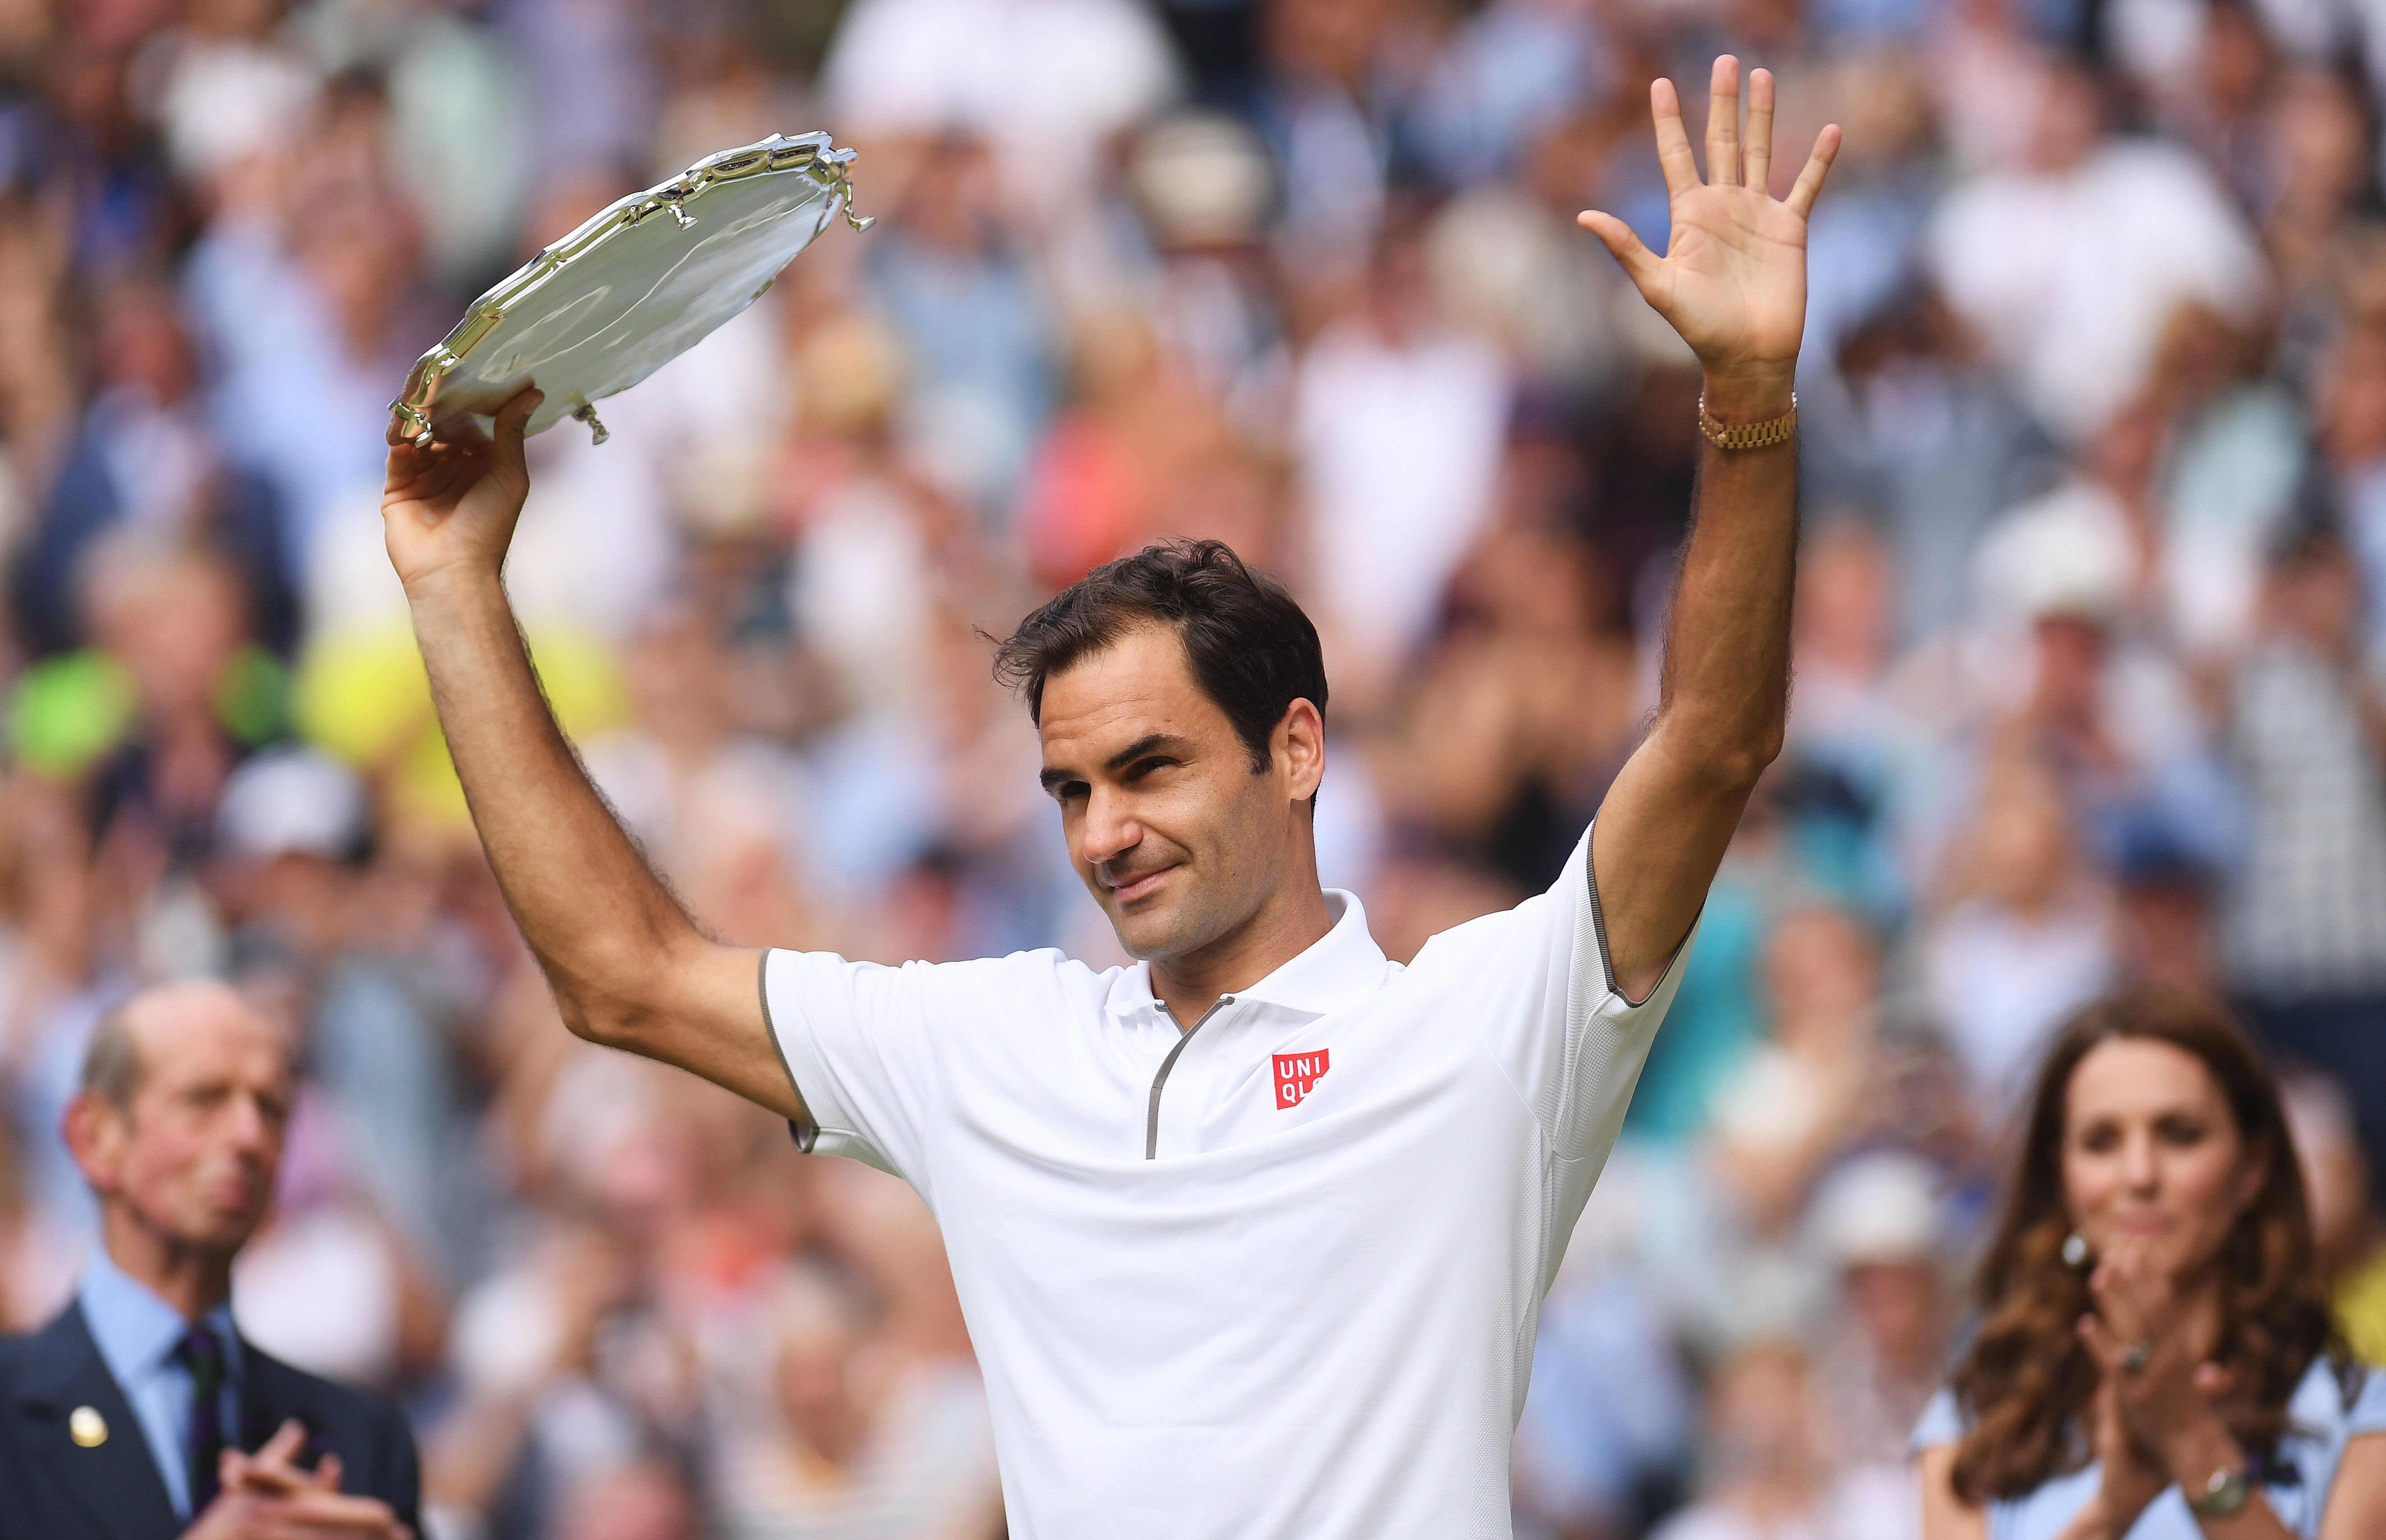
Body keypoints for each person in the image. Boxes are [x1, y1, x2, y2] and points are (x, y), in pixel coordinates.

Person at [380, 55, 1838, 1540]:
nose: (1101, 831)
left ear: (1294, 749)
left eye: (1147, 767)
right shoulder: (998, 1047)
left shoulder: (1482, 1026)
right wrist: (452, 583)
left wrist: (1744, 395)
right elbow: (621, 976)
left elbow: (1714, 740)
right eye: (1068, 787)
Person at [1914, 989, 2386, 1540]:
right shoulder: (1984, 1417)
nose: (2139, 1174)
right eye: (2101, 1141)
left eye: (2179, 1134)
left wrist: (2191, 1443)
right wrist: (2110, 1514)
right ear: (2061, 1173)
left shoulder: (2355, 1411)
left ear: (2253, 1165)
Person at [0, 981, 419, 1539]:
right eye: (203, 1099)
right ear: (96, 1137)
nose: (250, 1136)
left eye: (271, 1108)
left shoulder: (360, 1437)